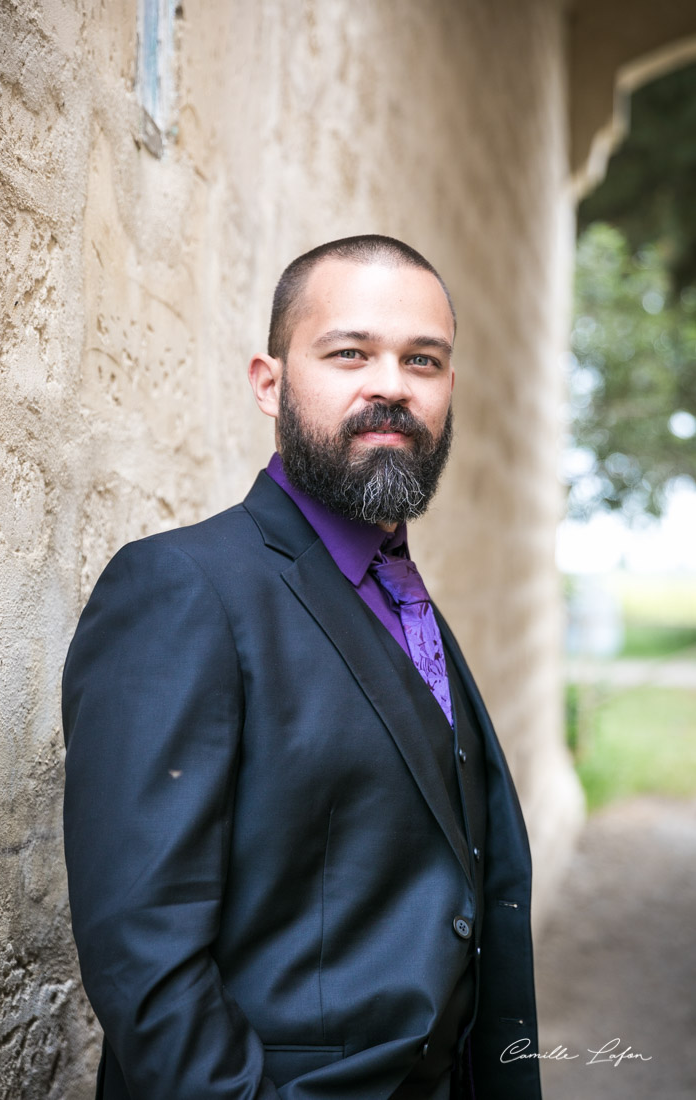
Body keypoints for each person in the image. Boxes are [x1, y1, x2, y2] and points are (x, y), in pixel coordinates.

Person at [62, 235, 541, 1100]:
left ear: (448, 390)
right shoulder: (180, 588)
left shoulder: (403, 597)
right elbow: (145, 951)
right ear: (270, 383)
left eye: (421, 360)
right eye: (349, 352)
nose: (390, 384)